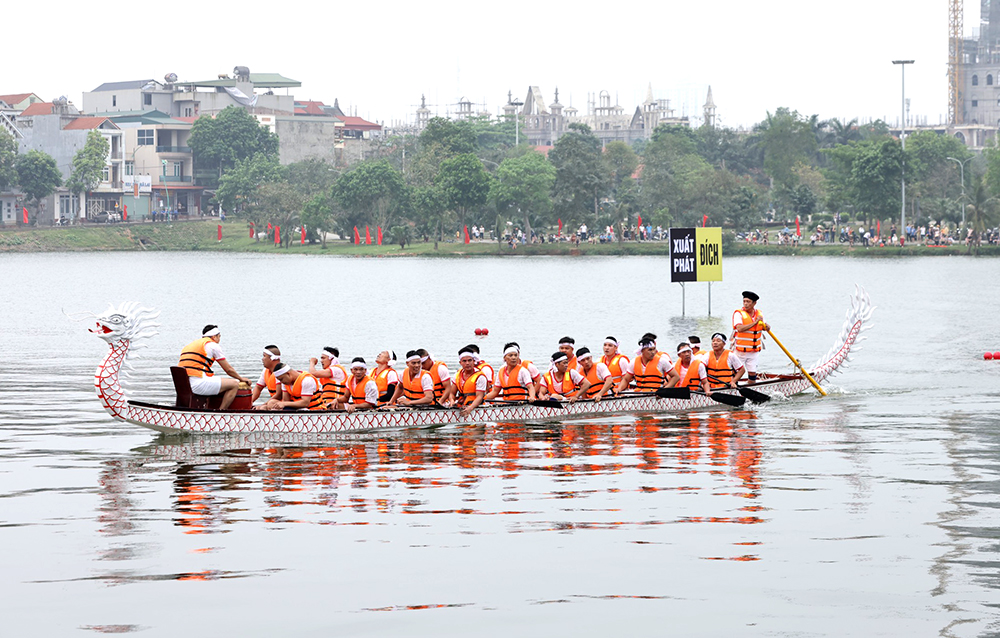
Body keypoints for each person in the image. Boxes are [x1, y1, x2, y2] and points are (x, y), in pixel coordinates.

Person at [178, 324, 250, 409]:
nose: (219, 340)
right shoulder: (213, 345)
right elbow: (229, 370)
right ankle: (220, 412)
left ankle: (207, 408)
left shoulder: (191, 345)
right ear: (214, 337)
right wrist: (241, 379)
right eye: (219, 337)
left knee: (218, 381)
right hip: (197, 385)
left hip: (185, 386)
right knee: (234, 384)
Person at [732, 290, 770, 383]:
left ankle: (751, 390)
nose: (745, 304)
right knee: (735, 373)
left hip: (754, 351)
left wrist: (767, 326)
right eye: (744, 301)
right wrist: (755, 323)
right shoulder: (738, 313)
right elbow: (740, 328)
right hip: (740, 351)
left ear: (754, 303)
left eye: (748, 302)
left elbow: (765, 327)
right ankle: (731, 388)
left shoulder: (759, 314)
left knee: (752, 375)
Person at [450, 347, 489, 417]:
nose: (467, 363)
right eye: (464, 361)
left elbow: (479, 397)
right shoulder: (457, 375)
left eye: (469, 360)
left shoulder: (480, 376)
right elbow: (452, 393)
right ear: (460, 363)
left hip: (476, 408)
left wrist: (470, 409)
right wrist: (452, 401)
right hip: (461, 405)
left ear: (474, 361)